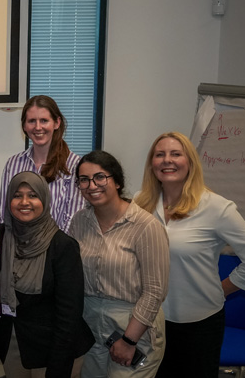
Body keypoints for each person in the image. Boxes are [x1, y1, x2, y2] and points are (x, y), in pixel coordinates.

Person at [134, 132, 245, 378]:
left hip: (198, 325)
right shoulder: (140, 203)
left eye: (176, 154)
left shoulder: (216, 207)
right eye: (160, 154)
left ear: (190, 162)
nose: (167, 160)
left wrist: (222, 289)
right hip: (149, 322)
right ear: (151, 163)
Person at [69, 151, 169, 377]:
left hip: (134, 327)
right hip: (90, 326)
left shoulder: (145, 226)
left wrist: (129, 339)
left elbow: (154, 292)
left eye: (100, 177)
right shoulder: (79, 222)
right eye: (84, 180)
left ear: (117, 181)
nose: (92, 185)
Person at [0, 171, 93, 378]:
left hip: (55, 350)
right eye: (17, 195)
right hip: (13, 344)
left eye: (33, 195)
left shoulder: (63, 246)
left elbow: (69, 315)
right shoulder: (0, 235)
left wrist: (58, 368)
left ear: (44, 199)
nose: (24, 202)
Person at [0, 96, 83, 233]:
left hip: (57, 249)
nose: (38, 127)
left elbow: (73, 220)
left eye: (44, 120)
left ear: (56, 123)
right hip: (17, 248)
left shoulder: (74, 165)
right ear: (24, 126)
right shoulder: (13, 164)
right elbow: (3, 215)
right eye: (32, 121)